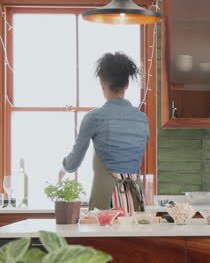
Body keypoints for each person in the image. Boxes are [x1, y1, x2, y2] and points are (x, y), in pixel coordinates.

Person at [58, 52, 150, 212]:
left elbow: (74, 161)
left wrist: (64, 169)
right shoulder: (142, 119)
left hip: (105, 197)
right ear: (127, 84)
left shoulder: (95, 117)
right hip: (136, 197)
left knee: (105, 236)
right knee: (134, 235)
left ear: (102, 82)